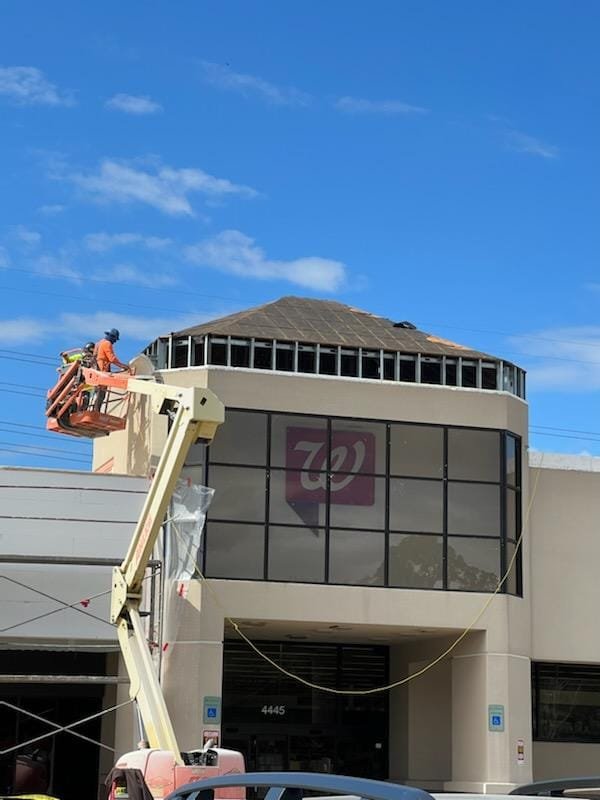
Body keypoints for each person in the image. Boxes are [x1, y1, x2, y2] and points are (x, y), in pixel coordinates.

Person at [93, 329, 129, 412]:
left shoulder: (99, 342)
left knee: (98, 390)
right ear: (112, 337)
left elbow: (94, 355)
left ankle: (95, 409)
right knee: (101, 391)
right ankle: (96, 410)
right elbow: (112, 358)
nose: (115, 342)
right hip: (102, 368)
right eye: (115, 339)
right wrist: (123, 366)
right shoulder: (107, 343)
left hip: (97, 368)